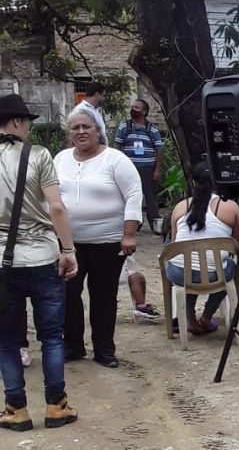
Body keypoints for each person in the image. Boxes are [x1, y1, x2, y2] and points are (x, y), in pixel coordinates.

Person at [0, 95, 78, 431]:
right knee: (51, 337)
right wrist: (69, 249)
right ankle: (56, 406)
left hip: (2, 265)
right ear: (17, 122)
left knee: (5, 340)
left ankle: (16, 410)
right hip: (44, 258)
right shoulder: (39, 155)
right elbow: (57, 208)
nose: (29, 128)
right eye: (28, 122)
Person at [55, 109, 142, 369]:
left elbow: (134, 195)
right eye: (75, 128)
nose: (80, 132)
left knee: (103, 296)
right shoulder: (60, 159)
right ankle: (73, 346)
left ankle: (104, 349)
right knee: (68, 294)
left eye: (86, 127)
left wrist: (129, 233)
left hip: (108, 241)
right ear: (69, 133)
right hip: (69, 244)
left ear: (97, 130)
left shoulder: (115, 159)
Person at [164, 162, 239, 336]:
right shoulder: (230, 207)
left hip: (179, 273)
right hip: (215, 275)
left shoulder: (180, 207)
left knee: (188, 266)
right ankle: (207, 317)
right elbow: (235, 247)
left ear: (193, 182)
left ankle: (190, 319)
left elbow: (174, 242)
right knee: (230, 267)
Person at [113, 98, 164, 234]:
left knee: (150, 196)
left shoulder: (151, 129)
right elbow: (117, 145)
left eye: (136, 107)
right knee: (131, 197)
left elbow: (159, 149)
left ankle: (155, 224)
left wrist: (157, 169)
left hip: (147, 168)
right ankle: (135, 223)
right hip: (129, 168)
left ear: (144, 111)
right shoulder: (125, 127)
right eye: (132, 107)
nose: (133, 109)